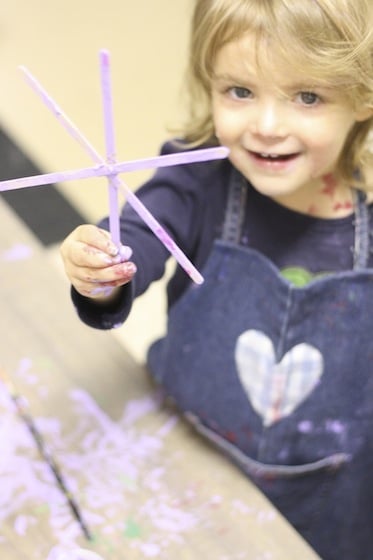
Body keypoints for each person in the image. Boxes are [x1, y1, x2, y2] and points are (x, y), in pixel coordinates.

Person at [60, 1, 373, 558]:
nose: (267, 126)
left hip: (330, 499)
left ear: (364, 97)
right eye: (239, 91)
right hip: (178, 459)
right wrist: (103, 270)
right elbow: (139, 241)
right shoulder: (198, 178)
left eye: (307, 97)